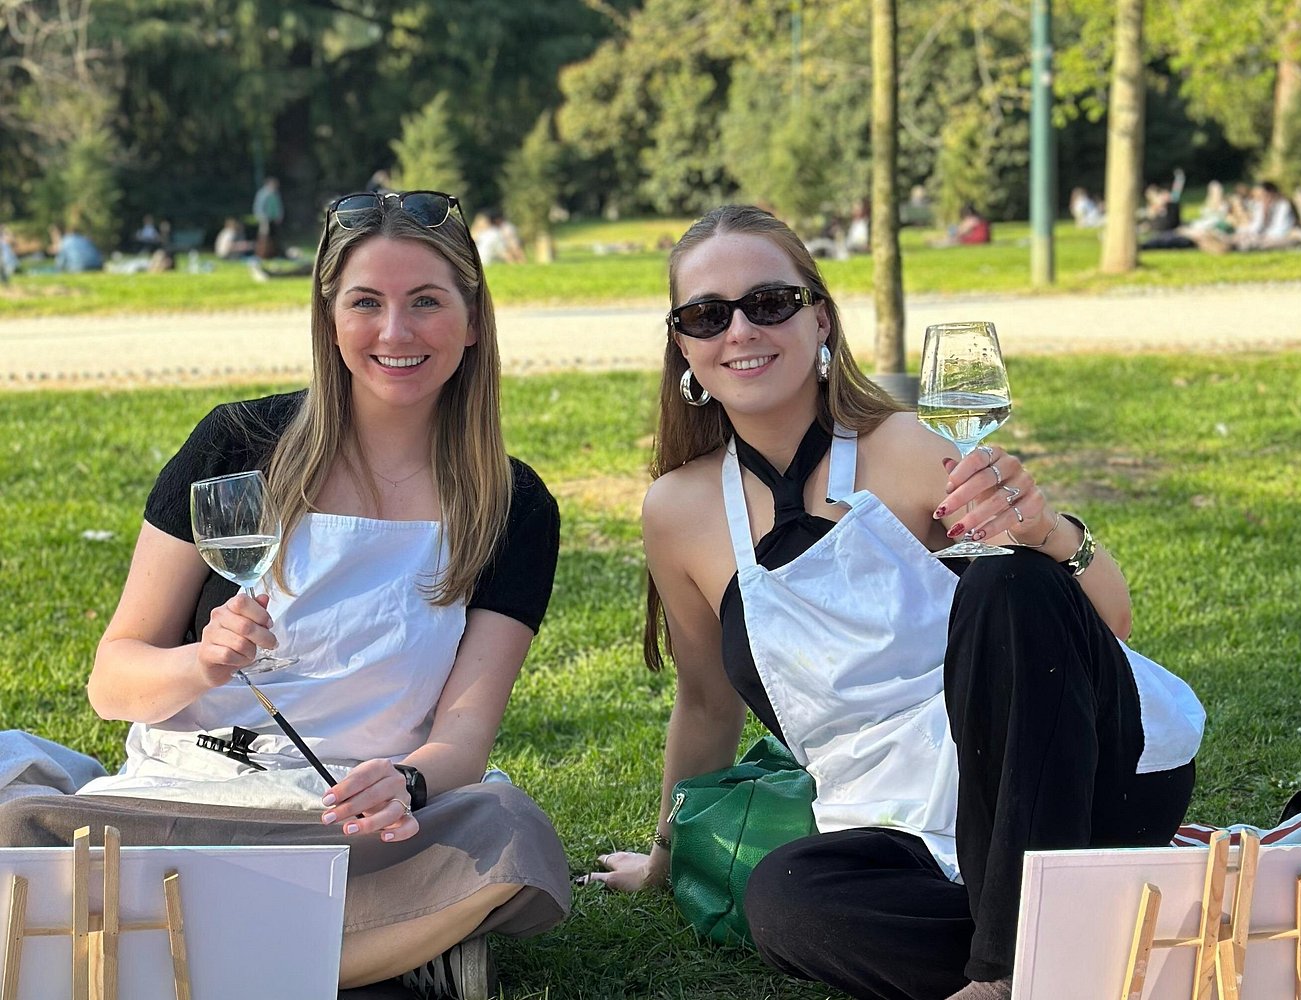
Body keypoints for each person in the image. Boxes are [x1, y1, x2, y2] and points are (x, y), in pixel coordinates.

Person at [587, 205, 1205, 1000]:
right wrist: (666, 861)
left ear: (819, 319)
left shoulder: (907, 447)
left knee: (1008, 577)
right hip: (904, 826)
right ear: (684, 346)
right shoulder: (677, 513)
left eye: (768, 303)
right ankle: (1084, 943)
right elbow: (706, 703)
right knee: (785, 902)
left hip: (1071, 782)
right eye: (708, 314)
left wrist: (1049, 532)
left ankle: (1008, 973)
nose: (740, 330)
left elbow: (1100, 622)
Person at [0, 188, 570, 999]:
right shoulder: (237, 446)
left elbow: (465, 737)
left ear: (472, 320)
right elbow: (112, 679)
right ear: (329, 318)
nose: (395, 332)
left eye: (426, 303)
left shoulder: (512, 504)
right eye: (366, 302)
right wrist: (203, 662)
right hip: (177, 804)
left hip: (349, 829)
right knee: (15, 821)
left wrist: (406, 782)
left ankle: (146, 953)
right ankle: (376, 954)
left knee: (507, 834)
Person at [252, 175, 285, 259]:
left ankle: (272, 254)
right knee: (264, 236)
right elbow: (258, 206)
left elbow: (279, 206)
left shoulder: (275, 194)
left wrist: (279, 216)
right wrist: (261, 217)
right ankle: (261, 254)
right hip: (265, 219)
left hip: (274, 219)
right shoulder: (262, 193)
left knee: (274, 237)